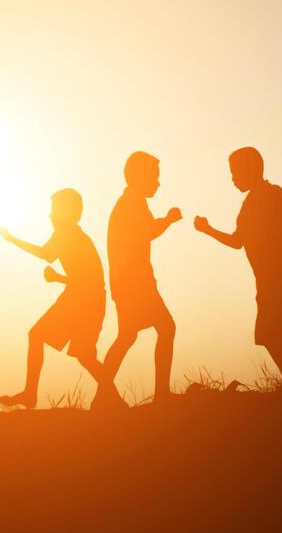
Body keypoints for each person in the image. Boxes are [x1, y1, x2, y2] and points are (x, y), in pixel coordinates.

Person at [0, 188, 124, 410]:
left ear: (69, 212)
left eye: (54, 210)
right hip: (87, 298)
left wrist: (11, 239)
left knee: (40, 337)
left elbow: (46, 254)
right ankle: (116, 401)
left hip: (82, 300)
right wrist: (60, 278)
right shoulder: (75, 235)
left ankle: (30, 394)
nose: (50, 215)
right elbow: (87, 279)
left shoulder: (68, 233)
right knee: (84, 355)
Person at [193, 147, 282, 389]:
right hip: (267, 279)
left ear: (251, 170)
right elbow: (237, 242)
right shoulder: (250, 204)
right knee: (271, 331)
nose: (233, 179)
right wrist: (208, 229)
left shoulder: (273, 194)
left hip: (280, 276)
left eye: (236, 173)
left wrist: (269, 244)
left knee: (269, 330)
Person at [102, 151, 181, 401]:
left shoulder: (133, 203)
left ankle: (102, 396)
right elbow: (147, 232)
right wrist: (168, 220)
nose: (158, 182)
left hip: (131, 282)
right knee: (165, 328)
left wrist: (165, 221)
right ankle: (161, 395)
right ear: (138, 177)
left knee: (127, 336)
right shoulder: (129, 205)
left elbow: (145, 231)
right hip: (133, 283)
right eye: (154, 177)